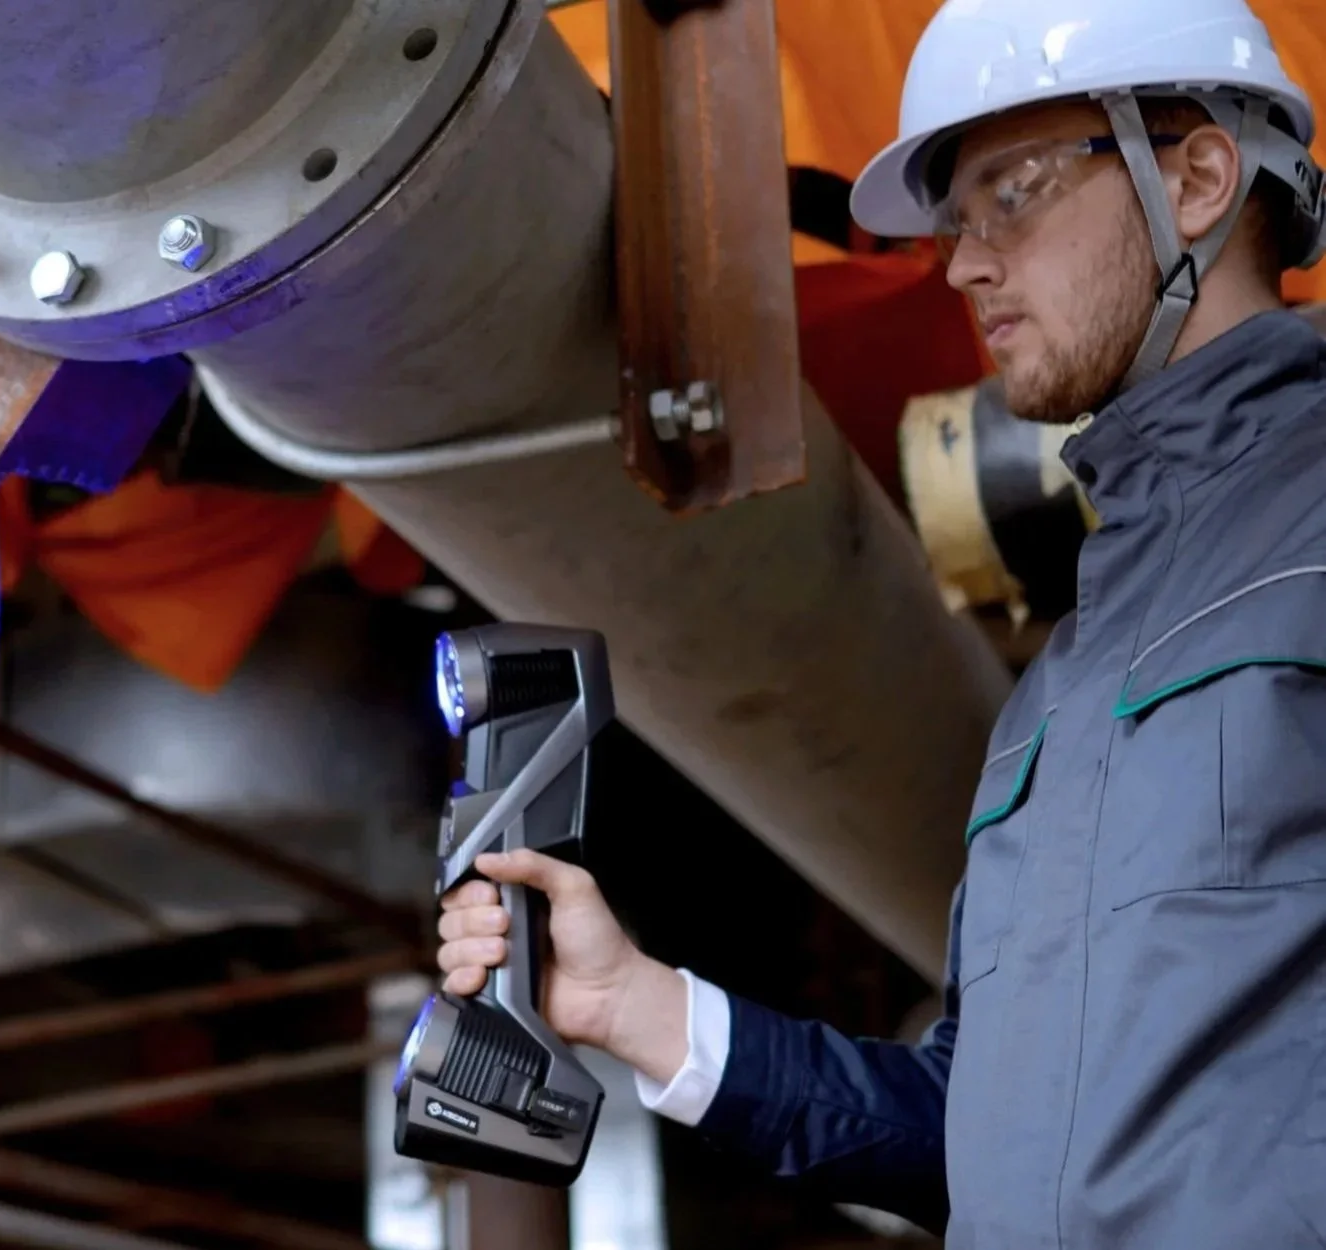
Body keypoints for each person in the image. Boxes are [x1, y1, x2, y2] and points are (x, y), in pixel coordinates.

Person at [436, 1, 1326, 1246]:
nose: (962, 264)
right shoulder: (1058, 692)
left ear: (1196, 180)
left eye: (1012, 193)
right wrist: (633, 1002)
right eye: (957, 221)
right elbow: (974, 1132)